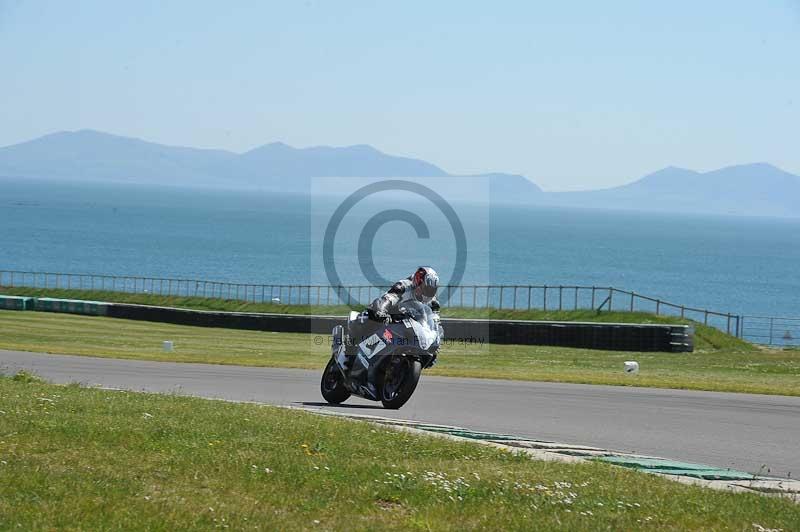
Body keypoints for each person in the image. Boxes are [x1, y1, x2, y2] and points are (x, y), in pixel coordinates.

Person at [344, 266, 440, 362]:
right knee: (366, 318)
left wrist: (435, 344)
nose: (428, 292)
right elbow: (386, 300)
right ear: (417, 283)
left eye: (431, 290)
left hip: (410, 324)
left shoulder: (433, 302)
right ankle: (349, 353)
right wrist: (380, 311)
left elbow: (435, 324)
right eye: (425, 288)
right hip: (389, 315)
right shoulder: (403, 287)